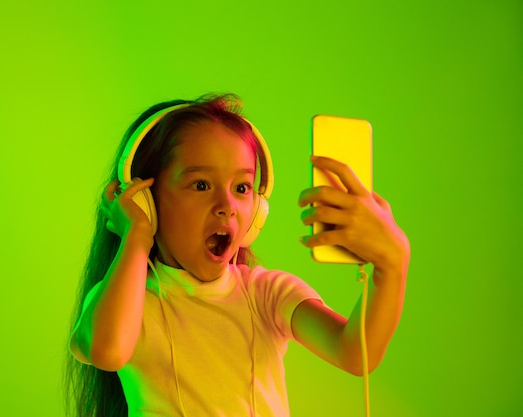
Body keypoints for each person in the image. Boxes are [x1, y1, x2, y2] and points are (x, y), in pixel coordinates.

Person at [64, 94, 410, 417]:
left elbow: (354, 352)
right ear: (147, 201)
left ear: (257, 209)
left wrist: (392, 264)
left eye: (242, 188)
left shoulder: (267, 294)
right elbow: (105, 351)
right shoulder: (130, 301)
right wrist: (136, 234)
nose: (227, 207)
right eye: (201, 185)